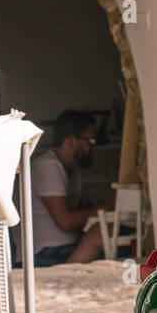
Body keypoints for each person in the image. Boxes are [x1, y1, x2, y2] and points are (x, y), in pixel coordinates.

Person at [31, 110, 109, 266]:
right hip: (46, 254)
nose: (93, 147)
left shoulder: (72, 169)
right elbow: (65, 222)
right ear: (71, 141)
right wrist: (106, 207)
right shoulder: (48, 166)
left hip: (63, 249)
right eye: (90, 141)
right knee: (111, 249)